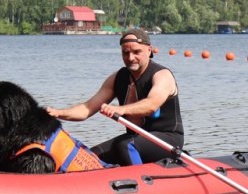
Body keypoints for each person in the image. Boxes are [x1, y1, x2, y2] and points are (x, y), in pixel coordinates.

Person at [46, 28, 183, 166]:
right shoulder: (117, 78)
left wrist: (121, 110)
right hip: (135, 139)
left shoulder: (162, 75)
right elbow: (86, 109)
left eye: (136, 52)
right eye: (126, 53)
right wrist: (57, 113)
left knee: (125, 145)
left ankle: (140, 183)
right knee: (89, 156)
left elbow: (151, 105)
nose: (130, 58)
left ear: (149, 50)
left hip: (168, 140)